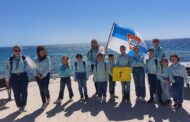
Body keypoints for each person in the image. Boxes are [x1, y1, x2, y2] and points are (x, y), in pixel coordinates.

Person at [5, 45, 29, 112]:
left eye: (19, 50)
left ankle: (23, 105)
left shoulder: (24, 58)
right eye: (15, 50)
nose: (17, 52)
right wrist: (7, 80)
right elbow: (7, 70)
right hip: (14, 77)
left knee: (24, 92)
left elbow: (30, 67)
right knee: (16, 93)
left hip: (23, 76)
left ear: (21, 51)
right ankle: (19, 106)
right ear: (13, 51)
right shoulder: (9, 59)